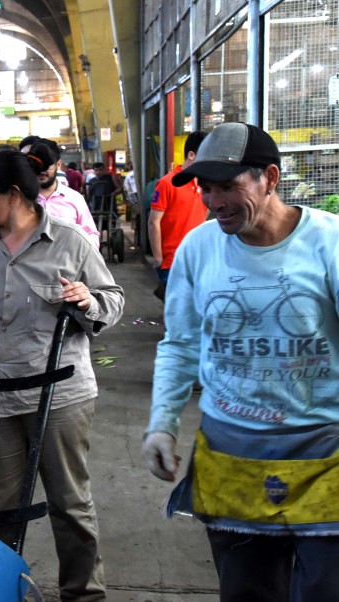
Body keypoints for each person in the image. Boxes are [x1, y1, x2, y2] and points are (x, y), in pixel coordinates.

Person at [141, 122, 339, 601]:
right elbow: (180, 343)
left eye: (228, 186)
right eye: (206, 189)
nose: (214, 201)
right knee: (248, 591)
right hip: (231, 453)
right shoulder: (198, 248)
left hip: (323, 453)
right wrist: (162, 423)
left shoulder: (328, 242)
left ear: (270, 178)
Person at [0, 148, 124, 602]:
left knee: (70, 503)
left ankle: (83, 595)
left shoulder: (71, 243)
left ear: (14, 194)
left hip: (57, 396)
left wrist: (86, 301)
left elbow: (113, 301)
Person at [148, 131, 207, 298]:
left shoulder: (205, 184)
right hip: (173, 261)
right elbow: (154, 222)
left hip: (198, 258)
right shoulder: (167, 183)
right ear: (191, 155)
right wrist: (158, 259)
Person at [31, 141, 101, 249]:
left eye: (47, 165)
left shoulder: (74, 198)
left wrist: (81, 258)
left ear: (58, 164)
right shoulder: (22, 199)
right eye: (38, 165)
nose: (42, 170)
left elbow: (90, 234)